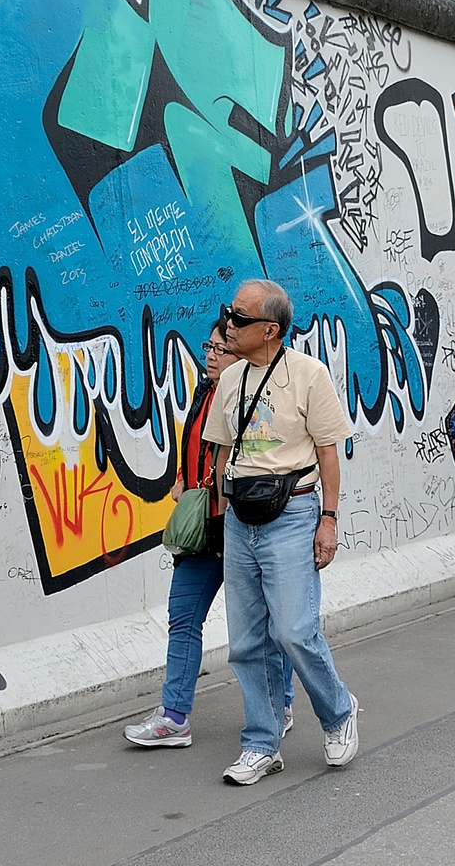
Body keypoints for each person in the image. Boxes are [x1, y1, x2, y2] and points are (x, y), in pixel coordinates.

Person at [205, 279, 359, 784]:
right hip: (240, 520)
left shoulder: (308, 376)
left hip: (293, 513)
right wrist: (218, 508)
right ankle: (261, 744)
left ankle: (338, 713)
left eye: (240, 318)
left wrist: (328, 520)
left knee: (293, 630)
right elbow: (222, 448)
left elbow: (328, 451)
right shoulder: (230, 381)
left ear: (270, 330)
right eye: (230, 313)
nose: (229, 323)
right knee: (246, 641)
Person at [125, 319, 296, 748]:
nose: (211, 355)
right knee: (183, 616)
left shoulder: (252, 399)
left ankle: (282, 704)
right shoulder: (205, 393)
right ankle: (174, 717)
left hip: (243, 528)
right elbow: (195, 446)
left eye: (222, 349)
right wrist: (184, 478)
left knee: (271, 624)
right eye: (210, 346)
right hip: (204, 531)